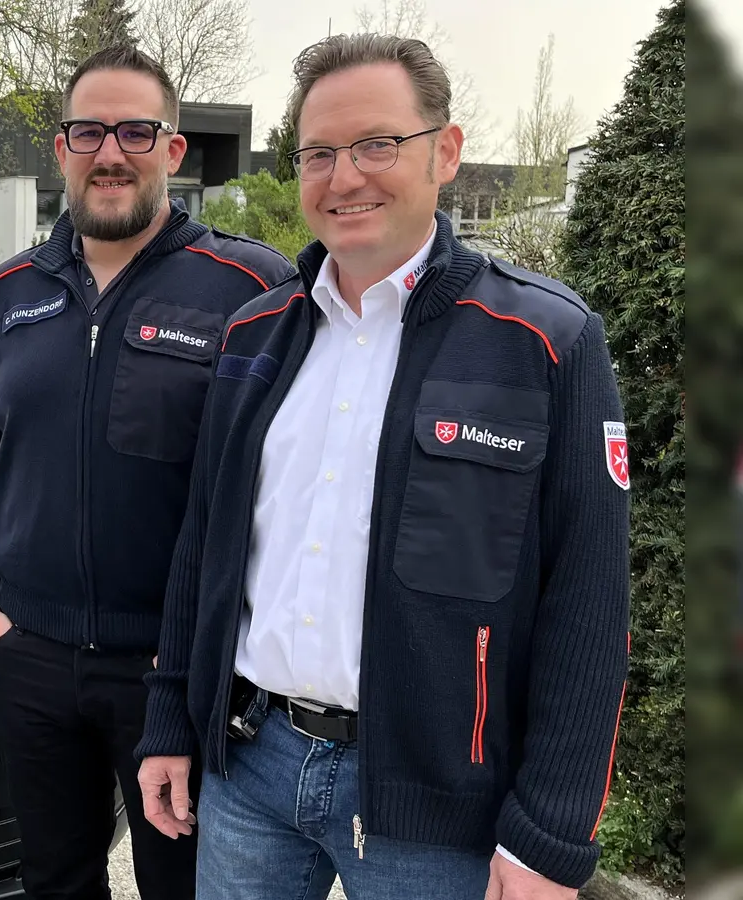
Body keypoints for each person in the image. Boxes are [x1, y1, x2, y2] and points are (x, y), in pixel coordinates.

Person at [133, 33, 631, 900]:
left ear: (446, 151)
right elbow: (202, 549)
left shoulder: (545, 342)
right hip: (250, 771)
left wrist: (550, 834)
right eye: (319, 153)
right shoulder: (256, 337)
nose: (345, 176)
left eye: (377, 145)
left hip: (438, 812)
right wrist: (171, 717)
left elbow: (588, 606)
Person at [0, 45, 296, 900]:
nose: (110, 152)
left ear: (173, 151)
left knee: (184, 884)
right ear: (60, 148)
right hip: (27, 656)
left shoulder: (252, 289)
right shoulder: (8, 294)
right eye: (88, 131)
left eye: (135, 131)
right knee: (54, 878)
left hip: (172, 675)